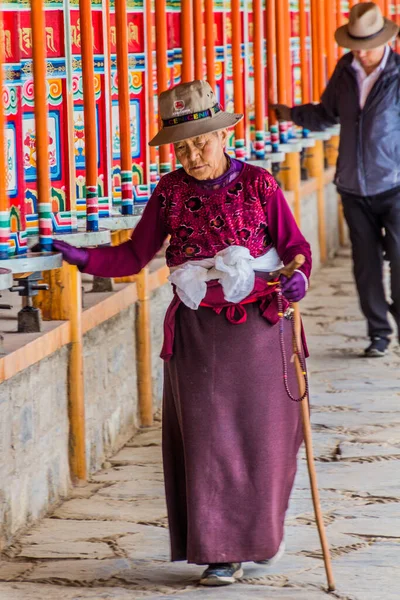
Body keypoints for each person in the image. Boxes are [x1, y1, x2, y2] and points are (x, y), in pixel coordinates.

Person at [52, 80, 312, 586]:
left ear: (222, 135)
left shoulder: (259, 184)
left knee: (263, 440)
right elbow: (133, 254)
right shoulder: (170, 191)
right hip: (199, 330)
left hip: (261, 328)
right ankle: (220, 552)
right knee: (209, 439)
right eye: (183, 145)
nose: (193, 153)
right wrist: (82, 258)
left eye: (202, 141)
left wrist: (298, 274)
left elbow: (294, 245)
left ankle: (259, 537)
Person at [272, 2, 400, 358]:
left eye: (368, 46)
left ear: (385, 41)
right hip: (353, 187)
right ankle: (378, 333)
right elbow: (327, 113)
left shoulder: (398, 74)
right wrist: (291, 114)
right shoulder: (346, 70)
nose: (362, 53)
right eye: (356, 46)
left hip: (395, 184)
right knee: (365, 265)